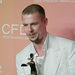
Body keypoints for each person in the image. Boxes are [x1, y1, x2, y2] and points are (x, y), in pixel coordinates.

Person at [16, 4, 75, 75]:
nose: (29, 29)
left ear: (45, 22)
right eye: (25, 25)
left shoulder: (70, 47)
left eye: (34, 24)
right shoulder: (21, 56)